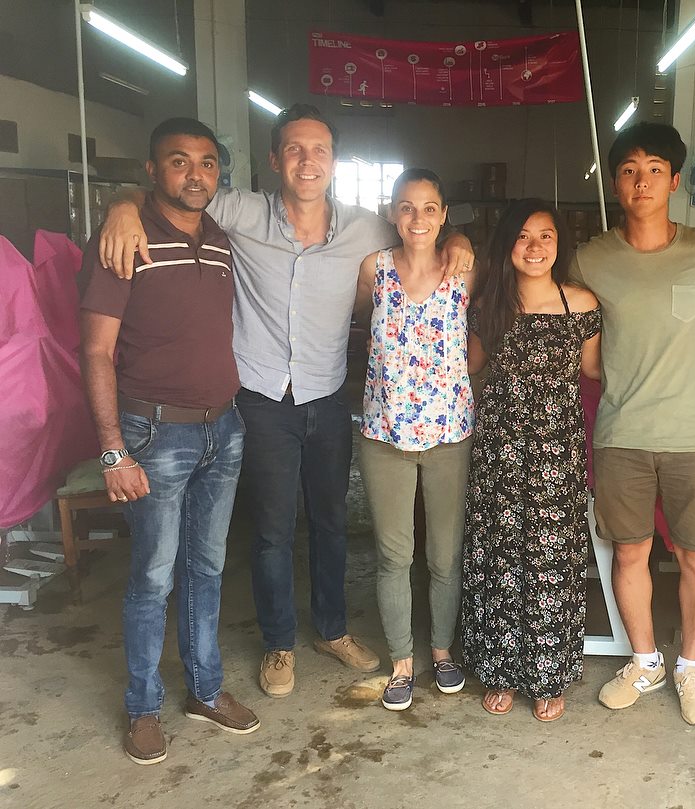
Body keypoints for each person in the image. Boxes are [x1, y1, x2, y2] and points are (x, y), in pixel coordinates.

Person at [97, 105, 474, 698]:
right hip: (263, 397)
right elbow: (175, 192)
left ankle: (332, 629)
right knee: (273, 529)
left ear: (334, 161)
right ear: (274, 159)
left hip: (328, 393)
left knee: (330, 521)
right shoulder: (239, 210)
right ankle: (278, 643)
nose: (307, 160)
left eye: (319, 149)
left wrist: (459, 238)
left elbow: (420, 229)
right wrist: (122, 205)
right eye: (294, 148)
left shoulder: (367, 229)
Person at [80, 118, 259, 765]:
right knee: (152, 577)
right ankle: (143, 706)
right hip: (154, 433)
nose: (196, 174)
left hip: (223, 427)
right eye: (179, 161)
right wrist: (112, 450)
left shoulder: (221, 239)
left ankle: (205, 690)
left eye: (208, 163)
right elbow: (96, 351)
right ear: (152, 170)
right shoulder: (124, 238)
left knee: (207, 568)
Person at [570, 122, 695, 726]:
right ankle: (645, 661)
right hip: (622, 435)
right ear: (615, 184)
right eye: (628, 171)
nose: (641, 182)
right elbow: (572, 335)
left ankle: (690, 667)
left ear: (674, 181)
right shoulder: (589, 260)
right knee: (629, 552)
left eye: (654, 170)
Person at [461, 199, 601, 722]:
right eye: (523, 236)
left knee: (551, 561)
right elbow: (471, 365)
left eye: (546, 236)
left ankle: (547, 676)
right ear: (507, 245)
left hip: (556, 451)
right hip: (498, 449)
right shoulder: (489, 303)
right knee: (498, 556)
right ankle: (499, 670)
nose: (535, 246)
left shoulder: (580, 303)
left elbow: (594, 370)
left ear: (559, 244)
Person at [355, 169, 476, 711]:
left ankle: (442, 650)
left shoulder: (464, 271)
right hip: (385, 434)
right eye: (406, 207)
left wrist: (464, 241)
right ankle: (402, 661)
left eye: (429, 208)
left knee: (445, 555)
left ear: (444, 215)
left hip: (449, 434)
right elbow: (363, 324)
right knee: (393, 554)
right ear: (391, 213)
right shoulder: (374, 269)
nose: (418, 218)